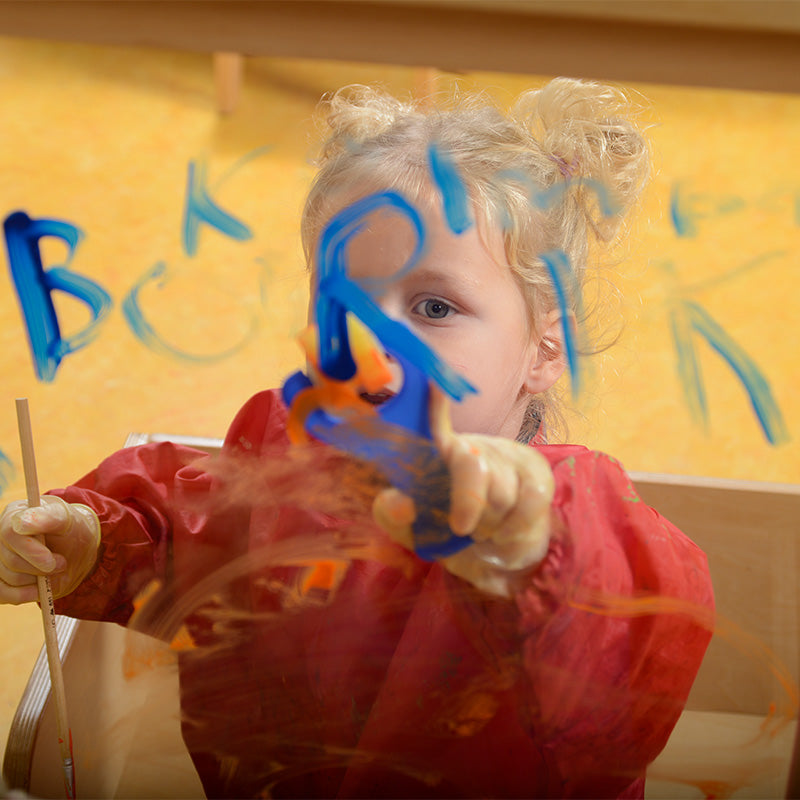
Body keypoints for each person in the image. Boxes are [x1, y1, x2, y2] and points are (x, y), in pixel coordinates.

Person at [0, 78, 713, 798]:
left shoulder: (571, 512)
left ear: (544, 348)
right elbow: (191, 545)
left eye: (434, 306)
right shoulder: (281, 450)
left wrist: (535, 553)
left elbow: (632, 639)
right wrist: (94, 543)